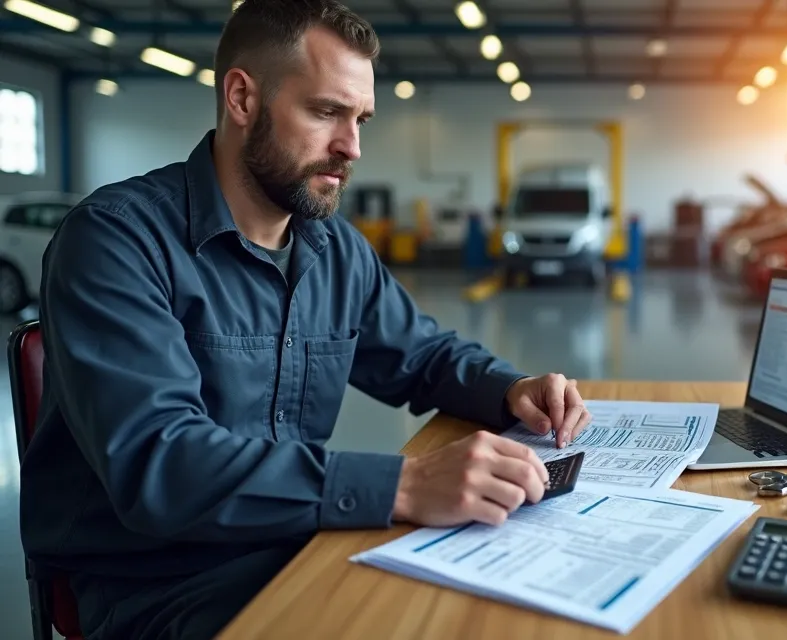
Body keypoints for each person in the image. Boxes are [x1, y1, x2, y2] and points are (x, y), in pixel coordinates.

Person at [18, 1, 593, 638]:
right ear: (242, 98)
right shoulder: (116, 240)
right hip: (158, 582)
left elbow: (423, 355)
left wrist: (510, 388)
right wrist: (403, 485)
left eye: (360, 119)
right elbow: (163, 463)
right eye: (325, 112)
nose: (352, 146)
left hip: (297, 538)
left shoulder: (334, 248)